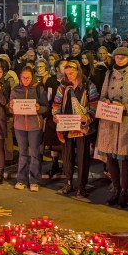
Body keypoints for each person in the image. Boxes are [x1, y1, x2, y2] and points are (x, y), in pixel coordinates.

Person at [96, 47, 128, 208]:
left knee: (124, 158)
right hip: (109, 119)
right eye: (117, 56)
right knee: (110, 157)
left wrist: (125, 106)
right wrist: (107, 102)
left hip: (126, 121)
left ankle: (124, 191)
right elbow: (102, 95)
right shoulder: (109, 74)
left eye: (123, 56)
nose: (119, 58)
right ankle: (115, 188)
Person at [53, 60, 99, 197]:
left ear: (78, 71)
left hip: (82, 128)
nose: (69, 76)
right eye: (66, 74)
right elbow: (56, 104)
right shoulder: (62, 86)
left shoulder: (89, 86)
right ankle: (68, 183)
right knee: (67, 157)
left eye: (71, 73)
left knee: (82, 157)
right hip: (66, 126)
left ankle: (81, 186)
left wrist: (88, 117)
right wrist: (56, 116)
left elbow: (95, 105)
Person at [10, 66, 49, 191]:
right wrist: (11, 107)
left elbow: (46, 107)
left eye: (28, 78)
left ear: (32, 77)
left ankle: (34, 181)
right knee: (22, 153)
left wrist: (39, 108)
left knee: (34, 154)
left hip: (34, 126)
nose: (26, 80)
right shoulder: (15, 89)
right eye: (23, 77)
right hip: (19, 125)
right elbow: (11, 109)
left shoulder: (39, 89)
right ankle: (21, 180)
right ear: (20, 77)